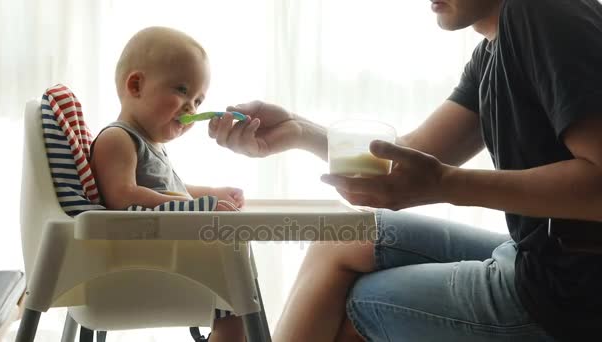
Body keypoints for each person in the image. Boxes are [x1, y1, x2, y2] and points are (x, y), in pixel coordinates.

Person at [208, 0, 602, 341]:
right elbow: (405, 156)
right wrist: (296, 130)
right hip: (532, 258)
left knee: (356, 304)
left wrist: (449, 185)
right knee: (340, 238)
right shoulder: (492, 51)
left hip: (572, 297)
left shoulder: (542, 12)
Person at [90, 26, 245, 342]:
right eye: (182, 90)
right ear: (136, 85)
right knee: (241, 300)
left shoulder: (150, 145)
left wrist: (210, 194)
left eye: (199, 100)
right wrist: (195, 207)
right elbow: (122, 197)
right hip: (145, 266)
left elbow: (173, 191)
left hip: (171, 257)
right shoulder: (117, 138)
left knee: (241, 300)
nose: (192, 108)